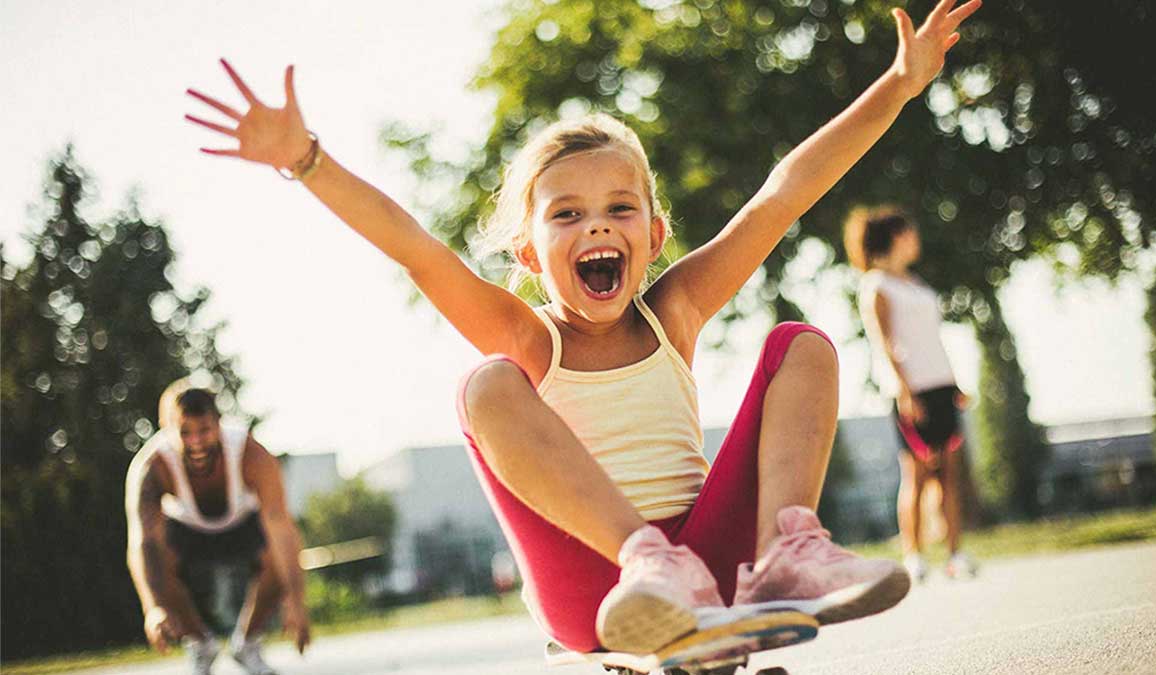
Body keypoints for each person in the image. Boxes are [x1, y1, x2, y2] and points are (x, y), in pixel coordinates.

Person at [185, 0, 979, 655]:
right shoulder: (535, 339)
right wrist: (308, 159)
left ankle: (788, 550)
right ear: (530, 252)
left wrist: (899, 87)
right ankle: (650, 572)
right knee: (486, 384)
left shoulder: (678, 308)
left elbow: (783, 193)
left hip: (715, 556)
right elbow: (416, 249)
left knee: (799, 344)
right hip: (596, 584)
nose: (596, 226)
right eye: (567, 214)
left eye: (618, 209)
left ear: (655, 234)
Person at [125, 380, 310, 675]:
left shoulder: (252, 455)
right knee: (158, 556)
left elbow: (282, 528)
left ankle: (247, 645)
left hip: (242, 524)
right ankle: (200, 645)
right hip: (185, 529)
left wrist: (296, 602)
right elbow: (142, 542)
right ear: (166, 428)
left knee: (277, 555)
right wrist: (154, 608)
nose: (196, 442)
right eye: (185, 432)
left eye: (205, 430)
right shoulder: (151, 467)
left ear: (219, 425)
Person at [844, 206, 979, 582]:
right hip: (910, 390)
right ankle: (914, 556)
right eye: (911, 234)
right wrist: (905, 391)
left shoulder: (916, 284)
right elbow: (885, 342)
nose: (916, 240)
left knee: (950, 473)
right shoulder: (876, 286)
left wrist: (954, 383)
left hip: (941, 386)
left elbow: (931, 339)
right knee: (916, 474)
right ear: (896, 237)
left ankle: (956, 554)